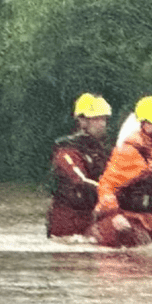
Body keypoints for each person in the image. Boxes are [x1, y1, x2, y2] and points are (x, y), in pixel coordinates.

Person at [90, 96, 152, 248]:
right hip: (124, 219)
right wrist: (114, 215)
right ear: (145, 124)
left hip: (149, 219)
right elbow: (106, 185)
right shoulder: (129, 152)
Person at [47, 93, 113, 238]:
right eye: (96, 119)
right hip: (68, 221)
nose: (102, 124)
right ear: (82, 121)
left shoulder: (102, 150)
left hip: (92, 216)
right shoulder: (67, 150)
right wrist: (111, 194)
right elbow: (80, 179)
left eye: (104, 119)